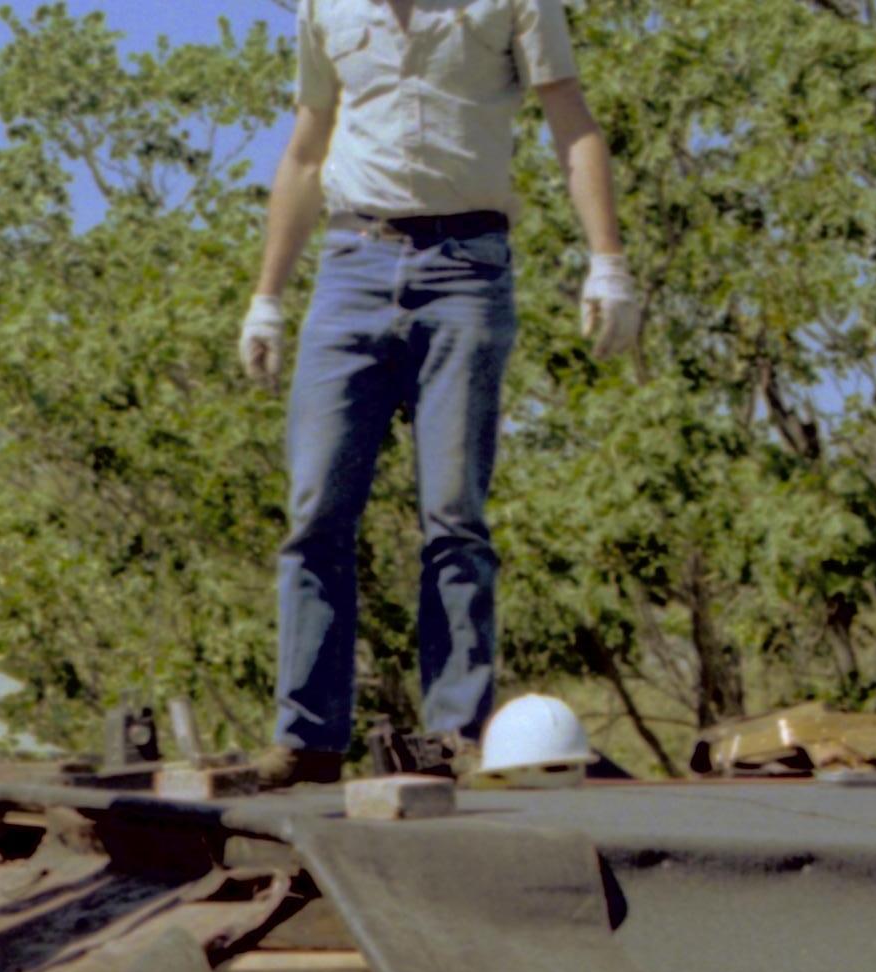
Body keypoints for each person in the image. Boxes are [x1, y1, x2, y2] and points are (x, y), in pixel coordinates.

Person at [239, 0, 638, 776]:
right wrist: (267, 297)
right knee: (316, 510)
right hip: (352, 260)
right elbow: (305, 149)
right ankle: (307, 738)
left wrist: (608, 261)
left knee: (453, 512)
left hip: (467, 264)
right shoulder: (327, 7)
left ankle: (456, 732)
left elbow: (572, 123)